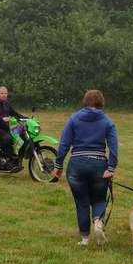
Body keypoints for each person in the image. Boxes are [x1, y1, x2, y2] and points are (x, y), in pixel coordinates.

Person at [52, 89, 118, 246]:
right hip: (98, 164)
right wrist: (111, 167)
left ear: (85, 101)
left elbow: (64, 144)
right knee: (99, 198)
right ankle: (98, 223)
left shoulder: (74, 119)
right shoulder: (108, 122)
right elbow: (114, 147)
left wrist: (58, 165)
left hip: (77, 165)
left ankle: (85, 238)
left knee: (81, 201)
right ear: (101, 102)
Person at [0, 86, 26, 169]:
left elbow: (14, 113)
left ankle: (17, 157)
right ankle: (10, 158)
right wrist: (2, 118)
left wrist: (25, 118)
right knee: (8, 138)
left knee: (22, 134)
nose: (4, 95)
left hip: (6, 128)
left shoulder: (6, 103)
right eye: (2, 93)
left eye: (5, 93)